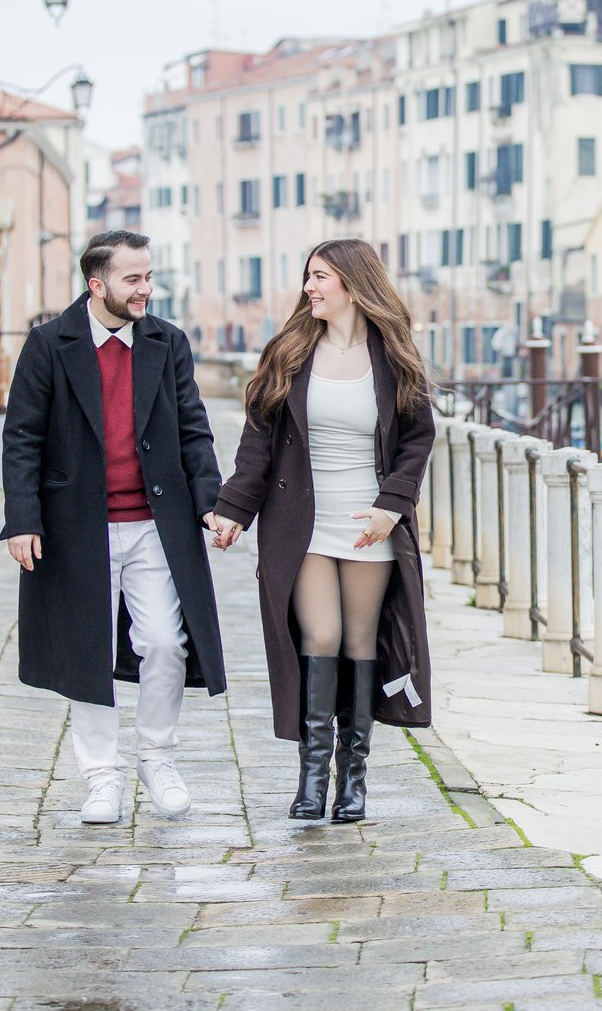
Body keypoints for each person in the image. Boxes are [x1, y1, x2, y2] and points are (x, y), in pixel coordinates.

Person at [0, 230, 231, 824]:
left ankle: (157, 757)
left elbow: (193, 428)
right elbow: (22, 436)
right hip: (77, 527)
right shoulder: (49, 344)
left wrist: (210, 502)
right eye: (133, 279)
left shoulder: (167, 342)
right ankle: (102, 777)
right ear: (96, 284)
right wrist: (22, 519)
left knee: (164, 642)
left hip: (156, 523)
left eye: (148, 276)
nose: (145, 289)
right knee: (88, 648)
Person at [209, 239, 434, 822]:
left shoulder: (394, 356)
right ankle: (311, 778)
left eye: (321, 276)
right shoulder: (288, 352)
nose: (309, 287)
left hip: (367, 525)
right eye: (308, 276)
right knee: (321, 635)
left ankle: (352, 779)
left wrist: (392, 507)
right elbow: (257, 443)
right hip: (300, 524)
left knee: (360, 642)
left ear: (354, 285)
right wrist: (233, 509)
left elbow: (417, 440)